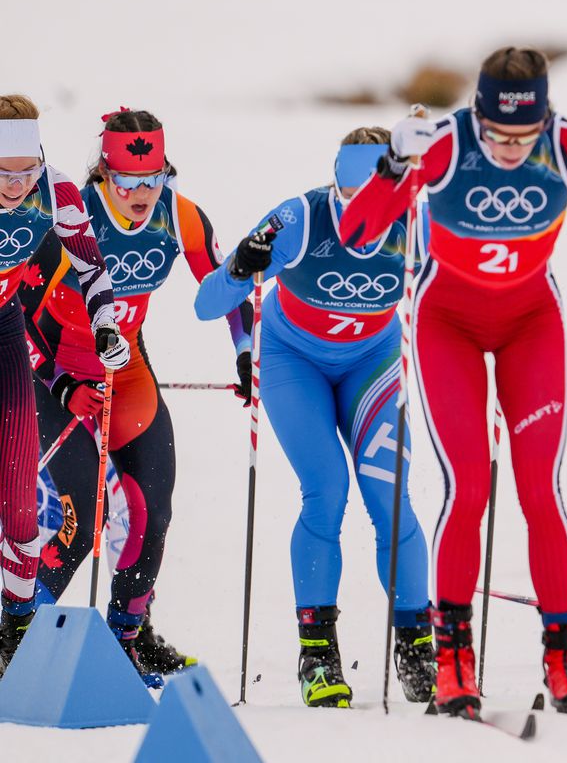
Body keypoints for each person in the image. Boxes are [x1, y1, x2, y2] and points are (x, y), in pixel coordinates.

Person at [339, 47, 567, 719]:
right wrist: (393, 167)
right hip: (448, 326)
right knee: (468, 487)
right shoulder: (443, 147)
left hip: (531, 323)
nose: (506, 149)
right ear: (478, 114)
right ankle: (453, 660)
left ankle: (564, 656)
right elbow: (357, 234)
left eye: (522, 138)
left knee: (539, 491)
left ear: (544, 118)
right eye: (496, 134)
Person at [195, 127, 433, 708]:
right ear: (335, 184)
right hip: (292, 360)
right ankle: (318, 652)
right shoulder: (298, 219)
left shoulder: (417, 223)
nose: (365, 216)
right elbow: (207, 304)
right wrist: (238, 267)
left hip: (372, 363)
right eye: (352, 198)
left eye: (380, 200)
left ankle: (419, 645)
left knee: (391, 497)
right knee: (326, 490)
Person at [24, 109, 251, 684]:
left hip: (125, 371)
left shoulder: (181, 216)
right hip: (55, 373)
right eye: (126, 182)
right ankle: (18, 638)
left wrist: (247, 353)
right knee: (80, 521)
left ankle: (129, 636)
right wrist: (62, 382)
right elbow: (20, 317)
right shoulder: (71, 219)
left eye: (152, 179)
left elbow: (225, 288)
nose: (141, 194)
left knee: (153, 504)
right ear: (104, 175)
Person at [0, 95, 128, 677]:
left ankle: (17, 623)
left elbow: (91, 267)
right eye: (3, 174)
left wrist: (105, 324)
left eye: (26, 171)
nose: (16, 186)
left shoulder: (56, 191)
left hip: (4, 327)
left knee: (21, 500)